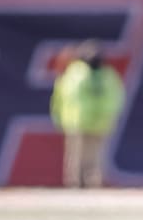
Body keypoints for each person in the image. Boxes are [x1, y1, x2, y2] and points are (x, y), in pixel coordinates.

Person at [50, 40, 125, 188]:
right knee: (93, 155)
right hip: (97, 121)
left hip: (79, 120)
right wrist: (108, 115)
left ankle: (78, 183)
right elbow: (117, 97)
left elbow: (61, 96)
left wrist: (58, 116)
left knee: (80, 154)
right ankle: (89, 182)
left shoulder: (74, 73)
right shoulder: (108, 75)